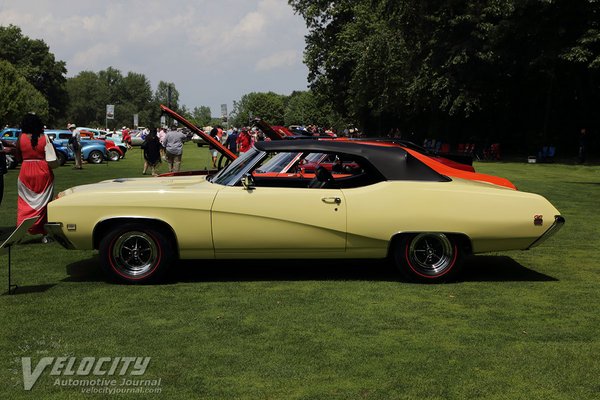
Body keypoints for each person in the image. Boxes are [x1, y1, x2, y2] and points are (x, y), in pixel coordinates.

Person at [16, 113, 55, 242]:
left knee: (24, 202)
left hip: (26, 171)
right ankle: (44, 233)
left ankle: (20, 232)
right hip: (43, 171)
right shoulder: (44, 137)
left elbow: (17, 156)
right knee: (44, 204)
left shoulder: (20, 138)